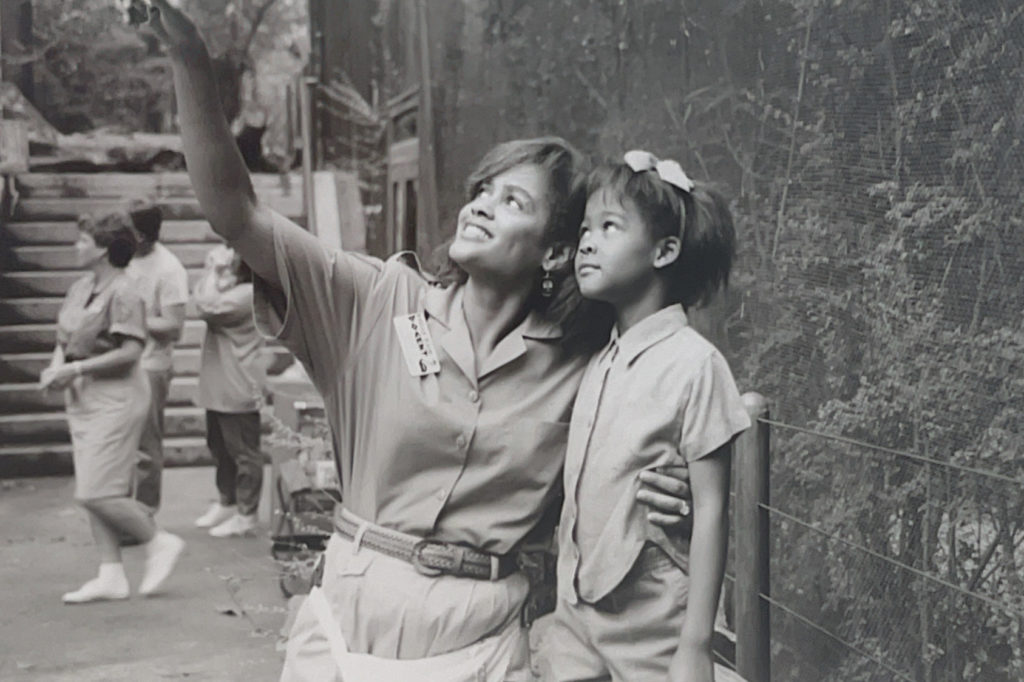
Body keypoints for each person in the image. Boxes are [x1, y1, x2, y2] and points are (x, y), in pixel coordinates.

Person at [144, 3, 691, 679]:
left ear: (555, 252)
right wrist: (190, 61)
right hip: (351, 624)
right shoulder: (374, 300)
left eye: (513, 201)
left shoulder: (589, 365)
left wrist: (671, 488)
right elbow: (235, 211)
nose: (481, 203)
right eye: (482, 189)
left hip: (484, 642)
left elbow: (638, 460)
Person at [540, 151, 751, 682]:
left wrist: (695, 647)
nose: (587, 241)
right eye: (586, 228)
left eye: (609, 226)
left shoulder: (695, 364)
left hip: (655, 624)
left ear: (665, 251)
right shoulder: (598, 358)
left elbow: (710, 510)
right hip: (577, 617)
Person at [43, 212, 186, 603]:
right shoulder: (80, 288)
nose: (75, 246)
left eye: (82, 241)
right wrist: (57, 368)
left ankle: (158, 540)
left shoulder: (126, 292)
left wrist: (75, 368)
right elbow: (64, 337)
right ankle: (110, 574)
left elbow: (131, 351)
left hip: (118, 397)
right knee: (94, 484)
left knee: (93, 492)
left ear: (104, 250)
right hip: (84, 396)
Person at [192, 245, 266, 537]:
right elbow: (205, 297)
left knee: (244, 452)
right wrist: (217, 273)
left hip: (238, 383)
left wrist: (214, 270)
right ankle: (228, 500)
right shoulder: (236, 290)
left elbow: (207, 306)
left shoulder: (247, 295)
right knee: (220, 447)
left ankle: (247, 514)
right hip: (221, 383)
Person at [125, 200, 189, 512]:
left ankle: (144, 513)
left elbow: (175, 327)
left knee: (146, 446)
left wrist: (132, 321)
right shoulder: (123, 258)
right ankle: (123, 511)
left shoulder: (169, 269)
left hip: (151, 364)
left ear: (141, 235)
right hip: (123, 361)